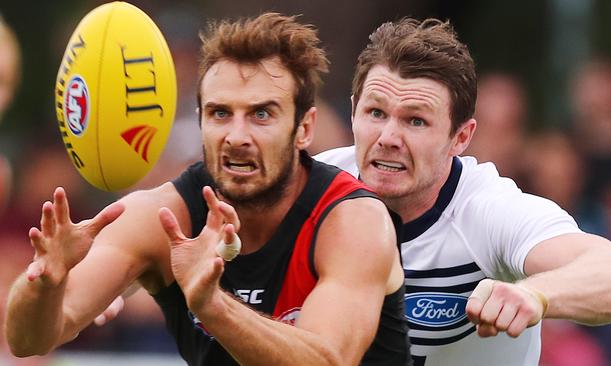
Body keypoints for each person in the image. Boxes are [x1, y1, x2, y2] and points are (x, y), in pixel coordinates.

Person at [5, 13, 412, 365]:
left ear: (304, 128)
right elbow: (28, 341)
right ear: (200, 119)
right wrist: (45, 282)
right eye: (220, 113)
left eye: (261, 115)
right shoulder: (163, 217)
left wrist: (212, 305)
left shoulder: (352, 220)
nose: (236, 135)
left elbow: (327, 361)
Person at [314, 18, 611, 365]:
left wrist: (535, 296)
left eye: (416, 120)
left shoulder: (486, 210)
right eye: (375, 112)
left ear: (461, 137)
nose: (388, 138)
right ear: (353, 112)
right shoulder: (314, 187)